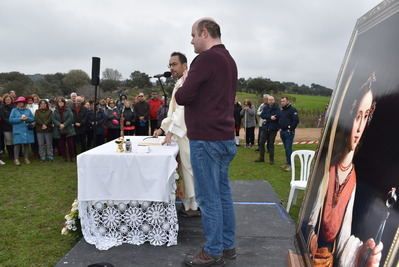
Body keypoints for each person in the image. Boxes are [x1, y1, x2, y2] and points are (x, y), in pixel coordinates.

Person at [175, 18, 237, 266]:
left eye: (193, 35)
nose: (191, 40)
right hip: (224, 137)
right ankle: (227, 245)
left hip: (206, 139)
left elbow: (182, 96)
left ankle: (212, 251)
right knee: (222, 195)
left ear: (204, 33)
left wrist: (187, 79)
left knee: (208, 198)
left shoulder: (205, 60)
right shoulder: (229, 60)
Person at [306, 74, 382, 267]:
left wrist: (360, 253)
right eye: (357, 117)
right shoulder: (330, 167)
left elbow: (343, 237)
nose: (359, 128)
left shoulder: (352, 176)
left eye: (365, 117)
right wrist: (312, 241)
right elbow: (311, 220)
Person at [154, 51, 200, 217]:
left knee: (189, 168)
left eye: (174, 64)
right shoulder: (180, 81)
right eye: (170, 65)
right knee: (184, 167)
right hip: (180, 132)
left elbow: (182, 110)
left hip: (186, 132)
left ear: (184, 65)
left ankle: (193, 205)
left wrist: (171, 130)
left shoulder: (186, 82)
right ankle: (188, 203)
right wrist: (163, 128)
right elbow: (172, 111)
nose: (171, 68)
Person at [9, 96, 35, 165]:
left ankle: (26, 158)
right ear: (17, 103)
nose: (21, 103)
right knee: (17, 145)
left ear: (24, 103)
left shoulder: (28, 110)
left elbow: (32, 119)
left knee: (26, 144)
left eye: (22, 102)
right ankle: (16, 159)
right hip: (18, 130)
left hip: (26, 130)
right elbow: (11, 120)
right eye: (19, 102)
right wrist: (20, 119)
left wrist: (27, 119)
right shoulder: (14, 110)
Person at [256, 95, 279, 164]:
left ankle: (271, 160)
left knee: (271, 144)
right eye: (269, 100)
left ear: (274, 100)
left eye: (272, 100)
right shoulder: (265, 107)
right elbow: (262, 115)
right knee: (261, 142)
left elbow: (278, 116)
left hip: (273, 129)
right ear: (267, 101)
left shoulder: (277, 108)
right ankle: (261, 158)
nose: (270, 101)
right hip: (265, 128)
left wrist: (271, 117)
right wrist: (270, 117)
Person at [278, 96, 299, 171]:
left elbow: (296, 121)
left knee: (288, 148)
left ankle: (290, 165)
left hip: (289, 133)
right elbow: (280, 119)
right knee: (286, 148)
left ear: (287, 101)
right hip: (282, 132)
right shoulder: (282, 110)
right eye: (281, 101)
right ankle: (287, 163)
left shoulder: (292, 110)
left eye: (283, 101)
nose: (282, 102)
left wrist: (290, 129)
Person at [52, 97, 76, 162]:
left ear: (64, 103)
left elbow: (71, 118)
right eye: (59, 102)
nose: (60, 103)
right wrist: (59, 124)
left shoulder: (68, 109)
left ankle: (72, 157)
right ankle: (64, 157)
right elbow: (53, 119)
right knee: (61, 144)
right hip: (59, 129)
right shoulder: (55, 111)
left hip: (68, 129)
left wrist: (64, 124)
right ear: (57, 103)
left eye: (62, 102)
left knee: (70, 144)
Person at [0, 94, 15, 160]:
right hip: (6, 127)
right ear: (4, 100)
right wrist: (11, 122)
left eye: (9, 99)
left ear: (11, 100)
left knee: (15, 141)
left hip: (15, 126)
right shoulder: (2, 108)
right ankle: (10, 155)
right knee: (9, 141)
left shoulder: (14, 107)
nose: (8, 101)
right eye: (6, 100)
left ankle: (17, 154)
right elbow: (3, 118)